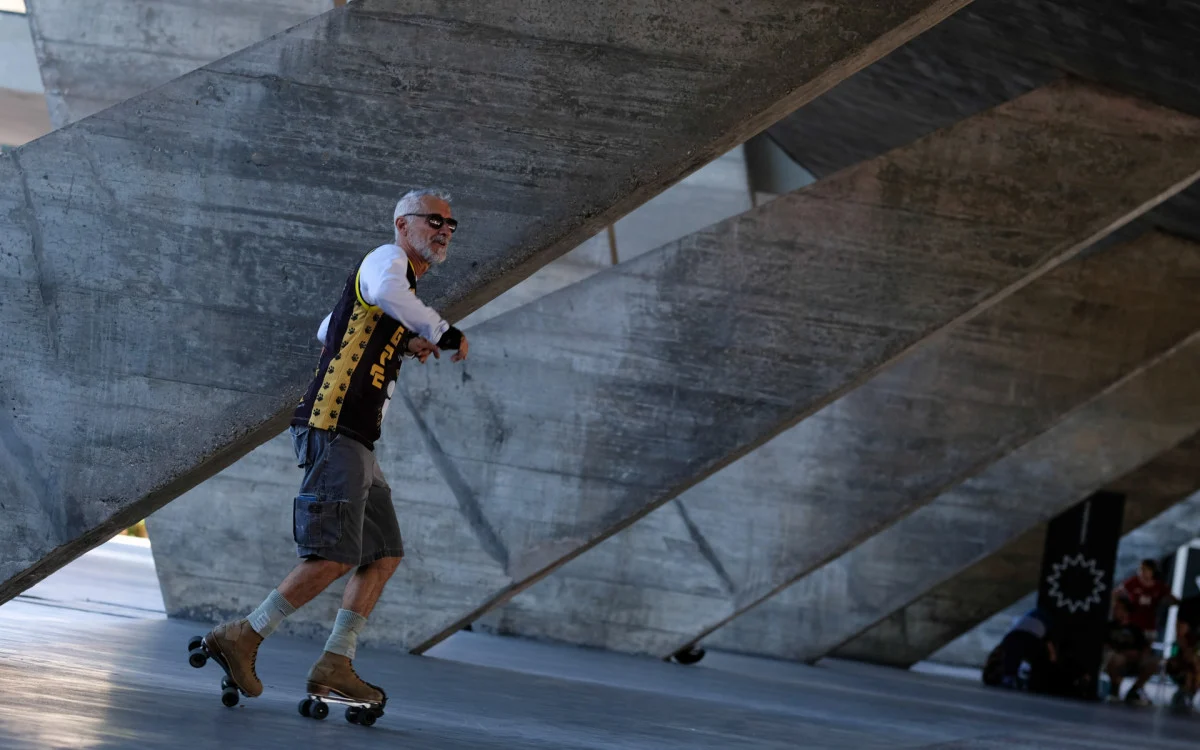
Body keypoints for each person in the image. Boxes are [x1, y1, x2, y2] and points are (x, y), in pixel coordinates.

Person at [198, 188, 469, 708]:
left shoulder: (391, 284)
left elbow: (330, 327)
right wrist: (440, 331)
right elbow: (389, 295)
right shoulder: (388, 262)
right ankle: (243, 636)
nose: (444, 230)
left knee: (383, 552)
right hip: (336, 426)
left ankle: (336, 660)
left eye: (451, 225)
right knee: (335, 554)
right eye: (434, 220)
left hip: (358, 437)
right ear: (402, 225)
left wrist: (403, 339)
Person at [1103, 596, 1160, 706]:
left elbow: (1144, 647)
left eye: (1118, 608)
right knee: (1116, 658)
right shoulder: (1109, 628)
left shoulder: (1135, 629)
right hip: (1116, 659)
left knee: (1153, 662)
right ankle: (1114, 688)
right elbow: (1107, 646)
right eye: (1114, 608)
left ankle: (1135, 690)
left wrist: (1139, 655)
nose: (1115, 611)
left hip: (1134, 660)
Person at [984, 607, 1058, 690]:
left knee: (1012, 657)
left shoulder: (1029, 616)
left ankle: (1008, 678)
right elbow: (1048, 642)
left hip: (1013, 637)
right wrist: (1053, 656)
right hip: (1029, 638)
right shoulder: (1046, 620)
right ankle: (1031, 681)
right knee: (1037, 660)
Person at [1113, 559, 1178, 642]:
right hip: (1132, 623)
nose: (1142, 572)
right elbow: (1116, 593)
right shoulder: (1134, 582)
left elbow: (1174, 600)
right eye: (1140, 569)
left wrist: (1165, 602)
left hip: (1149, 625)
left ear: (1152, 571)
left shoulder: (1159, 586)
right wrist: (1120, 609)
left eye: (1145, 569)